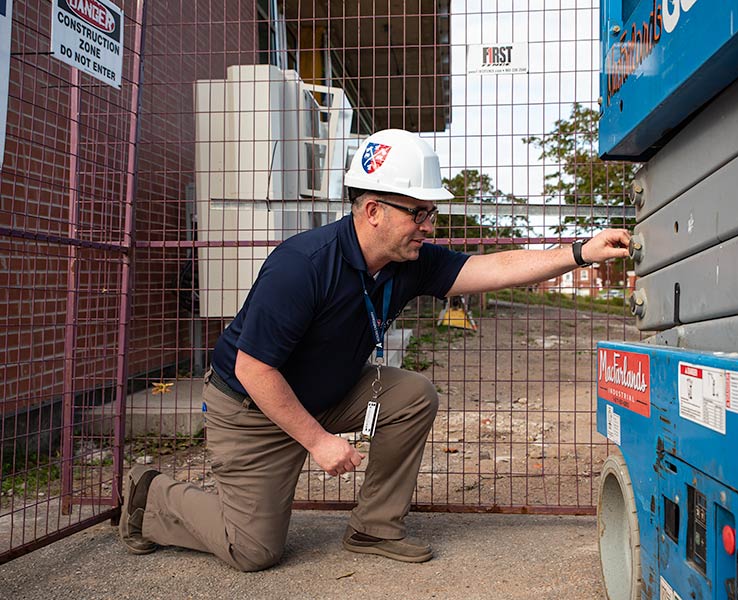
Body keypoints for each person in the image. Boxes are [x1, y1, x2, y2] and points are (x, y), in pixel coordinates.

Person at [119, 129, 630, 571]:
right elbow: (254, 369)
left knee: (413, 394)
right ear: (373, 211)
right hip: (254, 407)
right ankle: (149, 494)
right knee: (251, 550)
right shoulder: (302, 266)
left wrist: (580, 252)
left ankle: (373, 528)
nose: (430, 225)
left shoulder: (411, 261)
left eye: (431, 212)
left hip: (327, 391)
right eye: (420, 213)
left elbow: (491, 269)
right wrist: (318, 442)